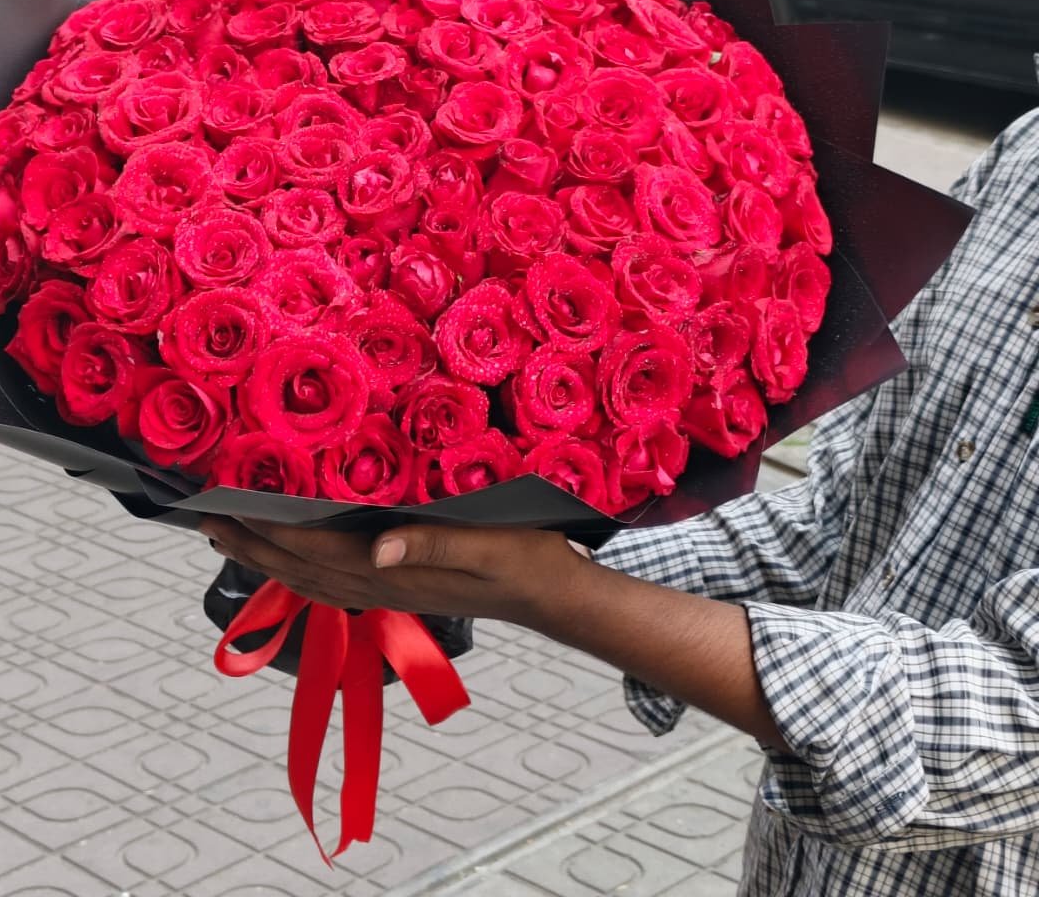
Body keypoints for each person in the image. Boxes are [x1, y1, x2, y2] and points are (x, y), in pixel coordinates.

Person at [200, 106, 1039, 894]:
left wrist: (560, 594)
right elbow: (848, 522)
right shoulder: (1025, 159)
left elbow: (1006, 718)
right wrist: (456, 548)